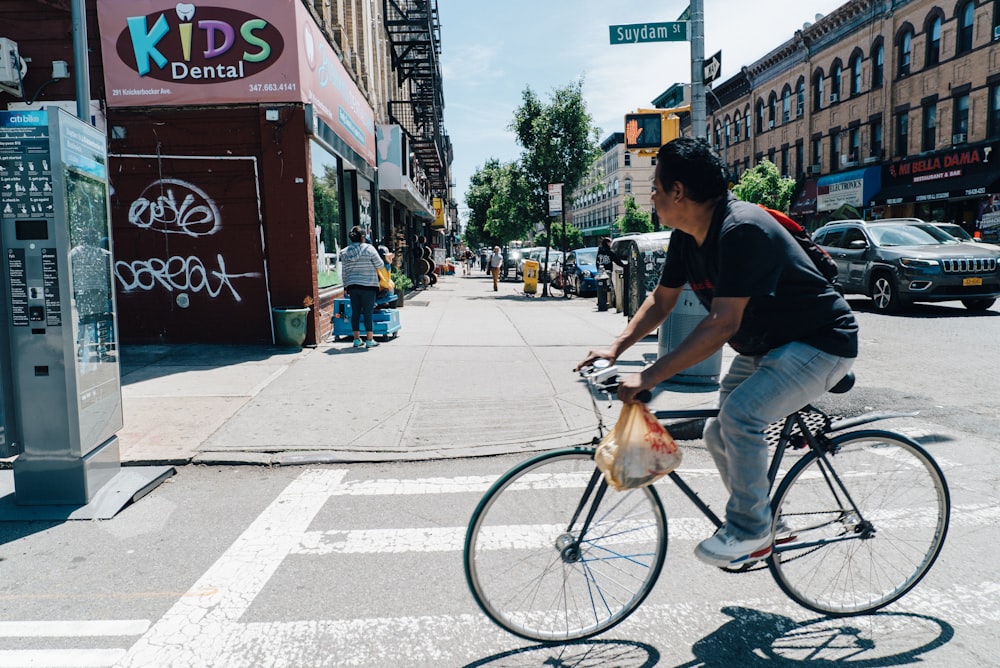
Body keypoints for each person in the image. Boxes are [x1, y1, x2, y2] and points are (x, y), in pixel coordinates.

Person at [576, 137, 858, 569]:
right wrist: (616, 349)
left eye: (654, 186)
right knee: (717, 432)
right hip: (767, 346)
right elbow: (661, 301)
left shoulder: (740, 229)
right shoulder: (687, 238)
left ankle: (750, 531)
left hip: (819, 342)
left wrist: (649, 376)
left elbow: (723, 322)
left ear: (678, 191)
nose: (651, 196)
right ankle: (767, 521)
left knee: (740, 416)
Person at [339, 226, 384, 349]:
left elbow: (344, 272)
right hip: (368, 285)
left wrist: (345, 285)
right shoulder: (369, 249)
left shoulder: (344, 252)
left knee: (356, 313)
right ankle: (369, 340)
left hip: (353, 286)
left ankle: (356, 339)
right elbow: (380, 265)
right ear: (363, 237)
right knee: (368, 313)